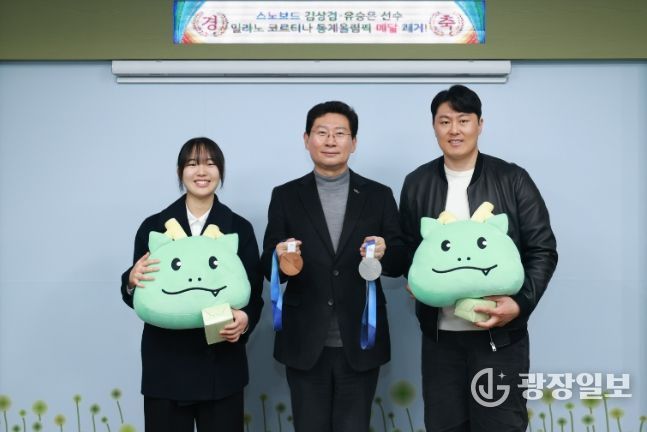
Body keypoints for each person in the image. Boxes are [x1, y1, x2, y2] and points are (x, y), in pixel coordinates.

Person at [399, 85, 558, 432]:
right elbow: (411, 249)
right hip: (440, 339)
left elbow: (542, 249)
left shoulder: (512, 179)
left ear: (479, 124)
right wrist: (413, 278)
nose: (454, 130)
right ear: (434, 127)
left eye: (463, 120)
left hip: (500, 340)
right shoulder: (417, 183)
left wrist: (520, 303)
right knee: (444, 426)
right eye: (445, 121)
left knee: (501, 424)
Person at [261, 101, 406, 432]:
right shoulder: (285, 195)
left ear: (353, 142)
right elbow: (267, 264)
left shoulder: (379, 195)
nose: (330, 141)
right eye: (322, 132)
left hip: (361, 338)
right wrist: (280, 258)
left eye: (340, 133)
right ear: (306, 139)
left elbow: (400, 260)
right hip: (304, 340)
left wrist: (385, 253)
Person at [120, 137, 263, 432]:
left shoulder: (238, 228)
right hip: (166, 366)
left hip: (221, 366)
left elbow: (255, 292)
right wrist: (131, 281)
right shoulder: (154, 227)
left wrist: (245, 318)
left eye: (210, 164)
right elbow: (140, 292)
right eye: (192, 164)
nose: (202, 171)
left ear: (220, 172)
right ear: (180, 171)